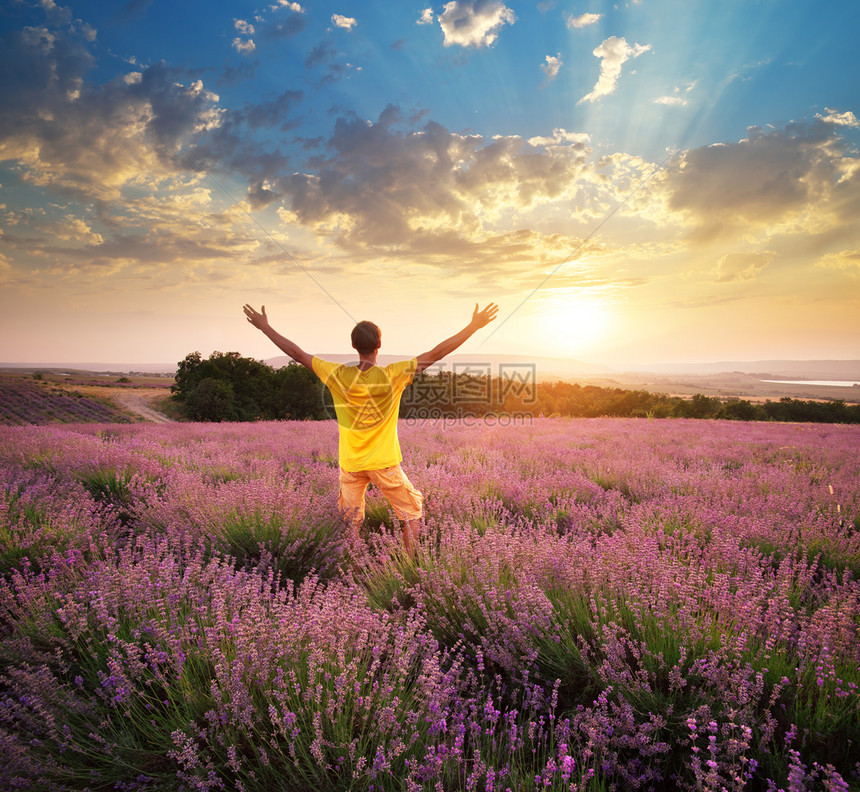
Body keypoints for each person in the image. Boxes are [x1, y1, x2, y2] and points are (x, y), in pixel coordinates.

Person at [243, 302, 499, 554]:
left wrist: (266, 328)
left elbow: (297, 354)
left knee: (351, 521)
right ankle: (409, 568)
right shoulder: (393, 375)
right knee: (412, 512)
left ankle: (352, 568)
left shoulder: (337, 374)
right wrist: (473, 326)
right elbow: (436, 353)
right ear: (379, 344)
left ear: (354, 346)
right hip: (384, 462)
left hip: (351, 463)